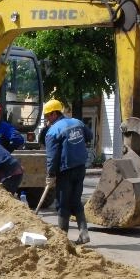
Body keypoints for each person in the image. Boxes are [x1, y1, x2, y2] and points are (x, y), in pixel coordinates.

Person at [43, 98, 93, 245]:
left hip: (65, 170)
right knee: (76, 201)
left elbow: (52, 156)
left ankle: (62, 239)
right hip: (80, 167)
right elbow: (89, 136)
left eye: (47, 116)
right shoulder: (78, 122)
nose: (47, 119)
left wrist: (51, 174)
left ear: (54, 114)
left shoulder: (53, 131)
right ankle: (84, 234)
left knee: (62, 204)